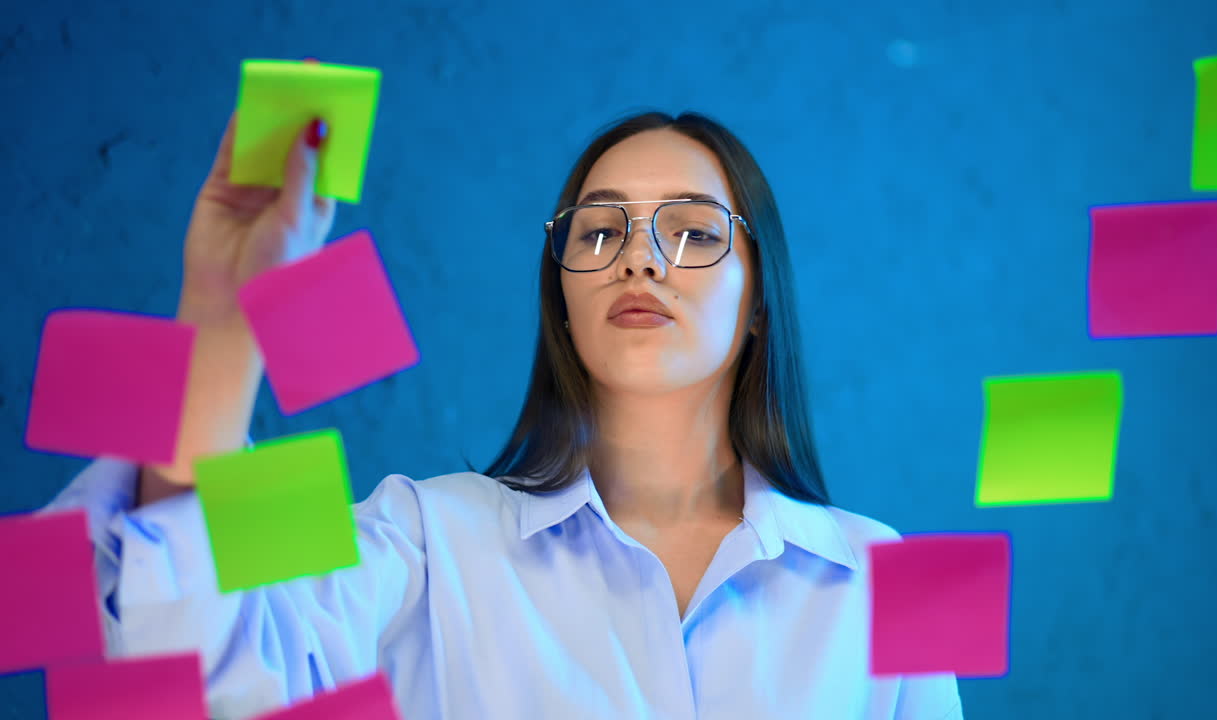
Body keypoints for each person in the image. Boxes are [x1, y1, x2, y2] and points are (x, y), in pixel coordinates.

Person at [43, 108, 963, 719]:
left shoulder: (884, 578)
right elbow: (194, 672)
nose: (638, 261)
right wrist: (219, 322)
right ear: (560, 294)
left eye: (690, 231)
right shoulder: (422, 536)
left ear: (759, 296)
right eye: (599, 232)